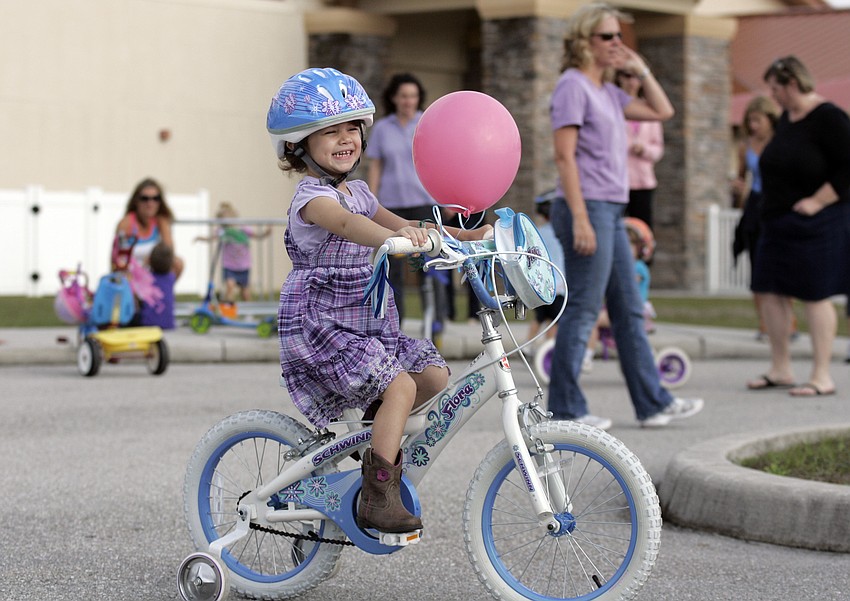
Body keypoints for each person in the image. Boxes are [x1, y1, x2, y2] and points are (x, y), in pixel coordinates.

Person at [266, 68, 492, 533]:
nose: (345, 138)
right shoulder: (311, 200)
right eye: (330, 131)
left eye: (352, 128)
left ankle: (374, 439)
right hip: (324, 327)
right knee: (401, 387)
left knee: (433, 376)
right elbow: (348, 225)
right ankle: (378, 492)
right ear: (298, 145)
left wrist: (468, 237)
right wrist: (394, 238)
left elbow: (405, 223)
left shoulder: (360, 192)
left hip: (367, 326)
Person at [547, 2, 703, 429]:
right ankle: (565, 409)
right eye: (608, 36)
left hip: (611, 210)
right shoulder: (572, 86)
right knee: (584, 308)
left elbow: (662, 112)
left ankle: (653, 403)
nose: (617, 43)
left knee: (629, 309)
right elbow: (564, 157)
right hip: (587, 207)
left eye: (620, 35)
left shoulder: (607, 91)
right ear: (585, 41)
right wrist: (580, 217)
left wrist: (641, 68)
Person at [745, 56, 850, 397]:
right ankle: (781, 368)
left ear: (792, 83)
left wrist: (818, 201)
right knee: (770, 291)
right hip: (777, 221)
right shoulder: (787, 120)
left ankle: (822, 375)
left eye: (775, 88)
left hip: (818, 222)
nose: (772, 96)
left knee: (815, 295)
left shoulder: (828, 117)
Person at [366, 73, 447, 329]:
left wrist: (446, 198)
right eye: (403, 96)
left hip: (424, 202)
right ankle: (394, 323)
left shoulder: (427, 123)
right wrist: (372, 200)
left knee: (431, 265)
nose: (408, 101)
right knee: (394, 269)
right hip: (392, 205)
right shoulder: (382, 128)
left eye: (413, 96)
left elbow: (439, 162)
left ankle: (436, 322)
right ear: (394, 98)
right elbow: (376, 166)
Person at [731, 96, 797, 342]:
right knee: (757, 266)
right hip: (755, 206)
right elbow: (741, 178)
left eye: (758, 120)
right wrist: (737, 190)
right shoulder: (745, 147)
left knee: (783, 266)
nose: (753, 125)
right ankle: (765, 323)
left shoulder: (782, 143)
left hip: (777, 204)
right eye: (750, 121)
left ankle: (788, 322)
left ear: (770, 120)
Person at [584, 217, 656, 373]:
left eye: (630, 245)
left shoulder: (638, 267)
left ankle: (587, 356)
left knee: (594, 320)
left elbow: (628, 284)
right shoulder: (626, 267)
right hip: (623, 307)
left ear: (640, 248)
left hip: (636, 309)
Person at [615, 66, 664, 229]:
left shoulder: (649, 109)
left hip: (643, 181)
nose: (632, 82)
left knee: (643, 229)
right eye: (627, 76)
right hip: (618, 180)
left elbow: (658, 149)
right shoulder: (613, 106)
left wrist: (644, 150)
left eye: (636, 77)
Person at [195, 202, 271, 302]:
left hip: (244, 266)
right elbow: (212, 238)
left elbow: (256, 236)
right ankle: (229, 307)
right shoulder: (223, 231)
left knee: (245, 292)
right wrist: (201, 238)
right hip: (230, 266)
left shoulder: (243, 229)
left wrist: (266, 233)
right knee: (230, 286)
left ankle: (248, 309)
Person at [115, 178, 184, 279]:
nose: (150, 203)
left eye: (155, 198)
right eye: (145, 198)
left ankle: (163, 287)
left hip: (152, 272)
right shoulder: (126, 223)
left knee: (177, 263)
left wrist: (151, 260)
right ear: (136, 201)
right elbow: (117, 259)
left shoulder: (161, 221)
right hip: (131, 274)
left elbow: (169, 253)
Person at [526, 190, 567, 345]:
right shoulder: (562, 232)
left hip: (541, 284)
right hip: (559, 285)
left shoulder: (538, 232)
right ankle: (548, 348)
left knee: (540, 317)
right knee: (554, 320)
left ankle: (527, 345)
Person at [139, 242, 176, 329]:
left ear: (150, 260)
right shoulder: (171, 278)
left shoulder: (146, 278)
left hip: (148, 323)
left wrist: (145, 264)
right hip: (168, 324)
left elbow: (138, 276)